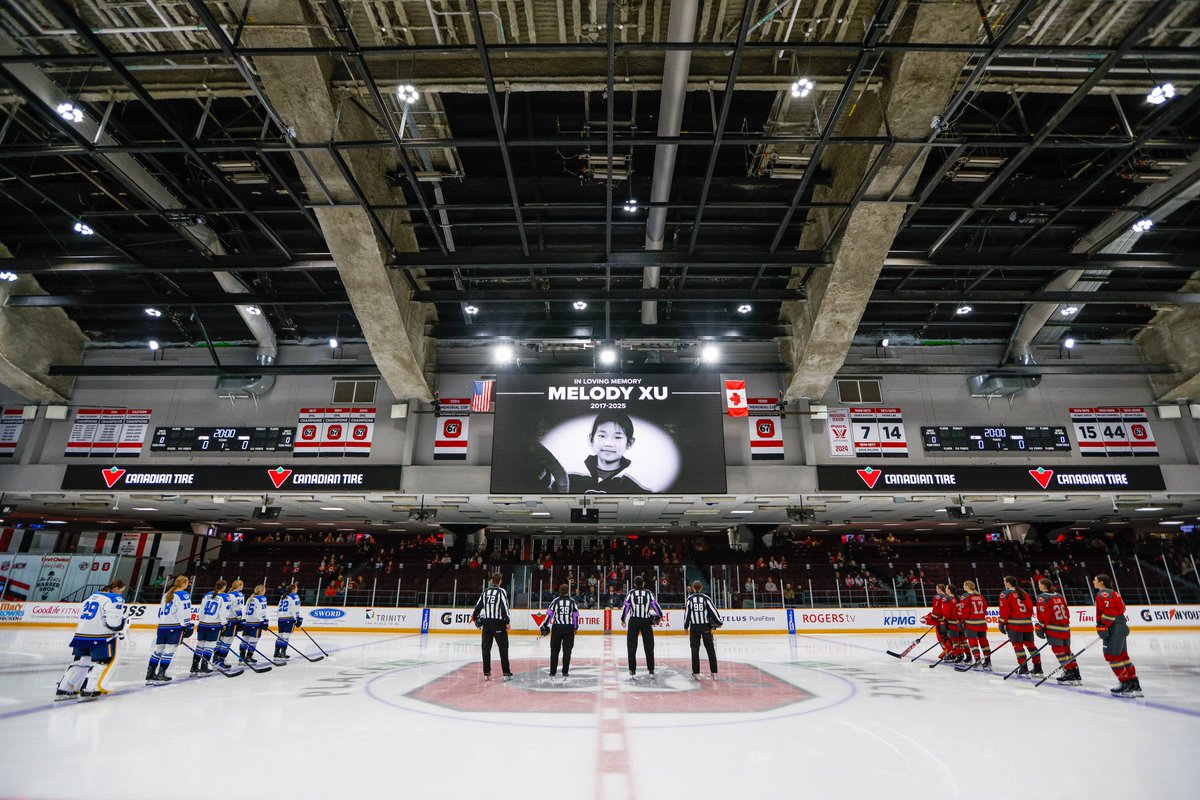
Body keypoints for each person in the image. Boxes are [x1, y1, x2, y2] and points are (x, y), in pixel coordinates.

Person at [56, 579, 126, 701]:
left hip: (81, 634)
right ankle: (89, 689)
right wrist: (122, 623)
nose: (121, 594)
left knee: (80, 661)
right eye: (121, 591)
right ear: (116, 589)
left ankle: (64, 687)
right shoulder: (115, 598)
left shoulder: (92, 596)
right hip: (100, 636)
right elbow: (114, 623)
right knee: (101, 662)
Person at [566, 411, 649, 494]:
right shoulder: (570, 475)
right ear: (591, 439)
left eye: (617, 437)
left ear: (629, 443)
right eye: (602, 436)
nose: (608, 444)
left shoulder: (638, 481)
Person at [1094, 574, 1142, 697]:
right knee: (1123, 656)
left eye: (1095, 579)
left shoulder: (1103, 594)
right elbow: (1122, 608)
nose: (1093, 581)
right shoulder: (1114, 593)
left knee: (1112, 656)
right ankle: (1134, 684)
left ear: (1101, 583)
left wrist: (1102, 626)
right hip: (1121, 627)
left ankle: (1125, 684)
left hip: (1113, 628)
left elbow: (1110, 612)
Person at [146, 576, 192, 684]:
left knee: (158, 650)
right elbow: (183, 612)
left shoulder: (166, 594)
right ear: (184, 583)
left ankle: (150, 673)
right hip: (174, 626)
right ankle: (161, 673)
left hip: (162, 626)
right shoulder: (183, 595)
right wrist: (186, 625)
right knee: (169, 650)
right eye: (187, 582)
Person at [1035, 577, 1081, 685]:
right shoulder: (1059, 596)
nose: (1038, 586)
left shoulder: (1042, 597)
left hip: (1054, 628)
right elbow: (1066, 611)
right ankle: (1076, 673)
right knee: (1067, 651)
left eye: (1039, 584)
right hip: (1065, 627)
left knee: (1059, 651)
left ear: (1043, 586)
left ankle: (1068, 673)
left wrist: (1040, 626)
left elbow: (1044, 615)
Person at [998, 576, 1042, 677]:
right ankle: (1038, 669)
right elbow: (1030, 609)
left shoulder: (1005, 593)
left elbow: (1005, 611)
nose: (1004, 583)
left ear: (1008, 583)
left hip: (1015, 625)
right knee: (1031, 646)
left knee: (1018, 646)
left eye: (1004, 581)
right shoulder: (1024, 593)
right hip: (1027, 624)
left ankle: (1023, 668)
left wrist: (1001, 623)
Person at [471, 573, 512, 681]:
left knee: (486, 648)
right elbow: (504, 607)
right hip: (498, 623)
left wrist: (475, 618)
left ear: (491, 581)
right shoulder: (501, 591)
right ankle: (506, 672)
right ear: (500, 581)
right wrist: (507, 621)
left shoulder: (485, 591)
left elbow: (478, 606)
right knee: (503, 648)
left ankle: (486, 673)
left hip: (487, 623)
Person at [621, 575, 663, 679]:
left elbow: (626, 606)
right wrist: (660, 615)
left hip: (634, 621)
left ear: (634, 584)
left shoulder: (630, 593)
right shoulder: (648, 593)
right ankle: (651, 669)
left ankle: (632, 669)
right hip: (645, 621)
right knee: (649, 645)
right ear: (643, 583)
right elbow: (655, 605)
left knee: (631, 645)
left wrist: (623, 619)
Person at [683, 581, 722, 679]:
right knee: (710, 649)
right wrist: (719, 622)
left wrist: (685, 626)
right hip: (705, 627)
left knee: (694, 649)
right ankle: (714, 673)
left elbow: (687, 613)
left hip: (694, 627)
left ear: (693, 588)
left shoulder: (689, 599)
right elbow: (713, 611)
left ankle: (696, 673)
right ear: (701, 588)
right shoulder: (706, 598)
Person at [540, 584, 579, 680]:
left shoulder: (555, 601)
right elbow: (576, 615)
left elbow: (549, 614)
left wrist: (544, 625)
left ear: (560, 591)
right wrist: (576, 627)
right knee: (567, 651)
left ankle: (552, 672)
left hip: (557, 628)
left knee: (554, 651)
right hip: (569, 628)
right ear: (568, 591)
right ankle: (565, 672)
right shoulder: (572, 601)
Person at [192, 579, 230, 675]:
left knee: (199, 646)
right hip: (214, 625)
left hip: (203, 624)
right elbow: (223, 612)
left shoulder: (207, 594)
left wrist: (202, 620)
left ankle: (194, 667)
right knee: (209, 646)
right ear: (223, 587)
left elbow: (201, 609)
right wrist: (224, 623)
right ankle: (204, 667)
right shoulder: (225, 597)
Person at [961, 580, 992, 669]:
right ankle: (988, 660)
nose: (963, 586)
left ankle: (977, 660)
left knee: (973, 642)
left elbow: (965, 611)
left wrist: (962, 620)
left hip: (971, 624)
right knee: (983, 641)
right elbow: (985, 607)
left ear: (967, 586)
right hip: (982, 623)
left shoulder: (965, 596)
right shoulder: (980, 596)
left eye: (964, 585)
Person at [214, 579, 244, 668]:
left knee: (220, 640)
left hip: (224, 620)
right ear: (240, 585)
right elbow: (238, 608)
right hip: (233, 621)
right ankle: (222, 660)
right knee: (228, 641)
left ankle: (215, 660)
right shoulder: (239, 595)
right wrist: (240, 618)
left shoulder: (227, 595)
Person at [240, 584, 270, 664]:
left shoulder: (250, 598)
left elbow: (245, 610)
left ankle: (241, 658)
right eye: (264, 589)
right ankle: (249, 657)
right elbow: (261, 611)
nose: (265, 591)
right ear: (261, 591)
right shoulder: (262, 598)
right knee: (253, 640)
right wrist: (264, 621)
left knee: (245, 640)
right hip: (256, 623)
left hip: (247, 622)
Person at [274, 582, 302, 659]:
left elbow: (278, 607)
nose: (297, 589)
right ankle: (283, 652)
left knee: (280, 636)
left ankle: (276, 652)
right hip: (289, 618)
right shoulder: (294, 596)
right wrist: (298, 618)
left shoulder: (283, 596)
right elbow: (295, 608)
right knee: (286, 636)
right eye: (296, 588)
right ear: (293, 589)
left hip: (281, 619)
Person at [922, 583, 949, 659]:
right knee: (949, 638)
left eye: (937, 588)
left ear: (940, 589)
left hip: (941, 622)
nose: (936, 590)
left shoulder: (938, 597)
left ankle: (947, 653)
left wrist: (932, 619)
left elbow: (936, 611)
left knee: (942, 638)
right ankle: (952, 653)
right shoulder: (949, 596)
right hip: (949, 622)